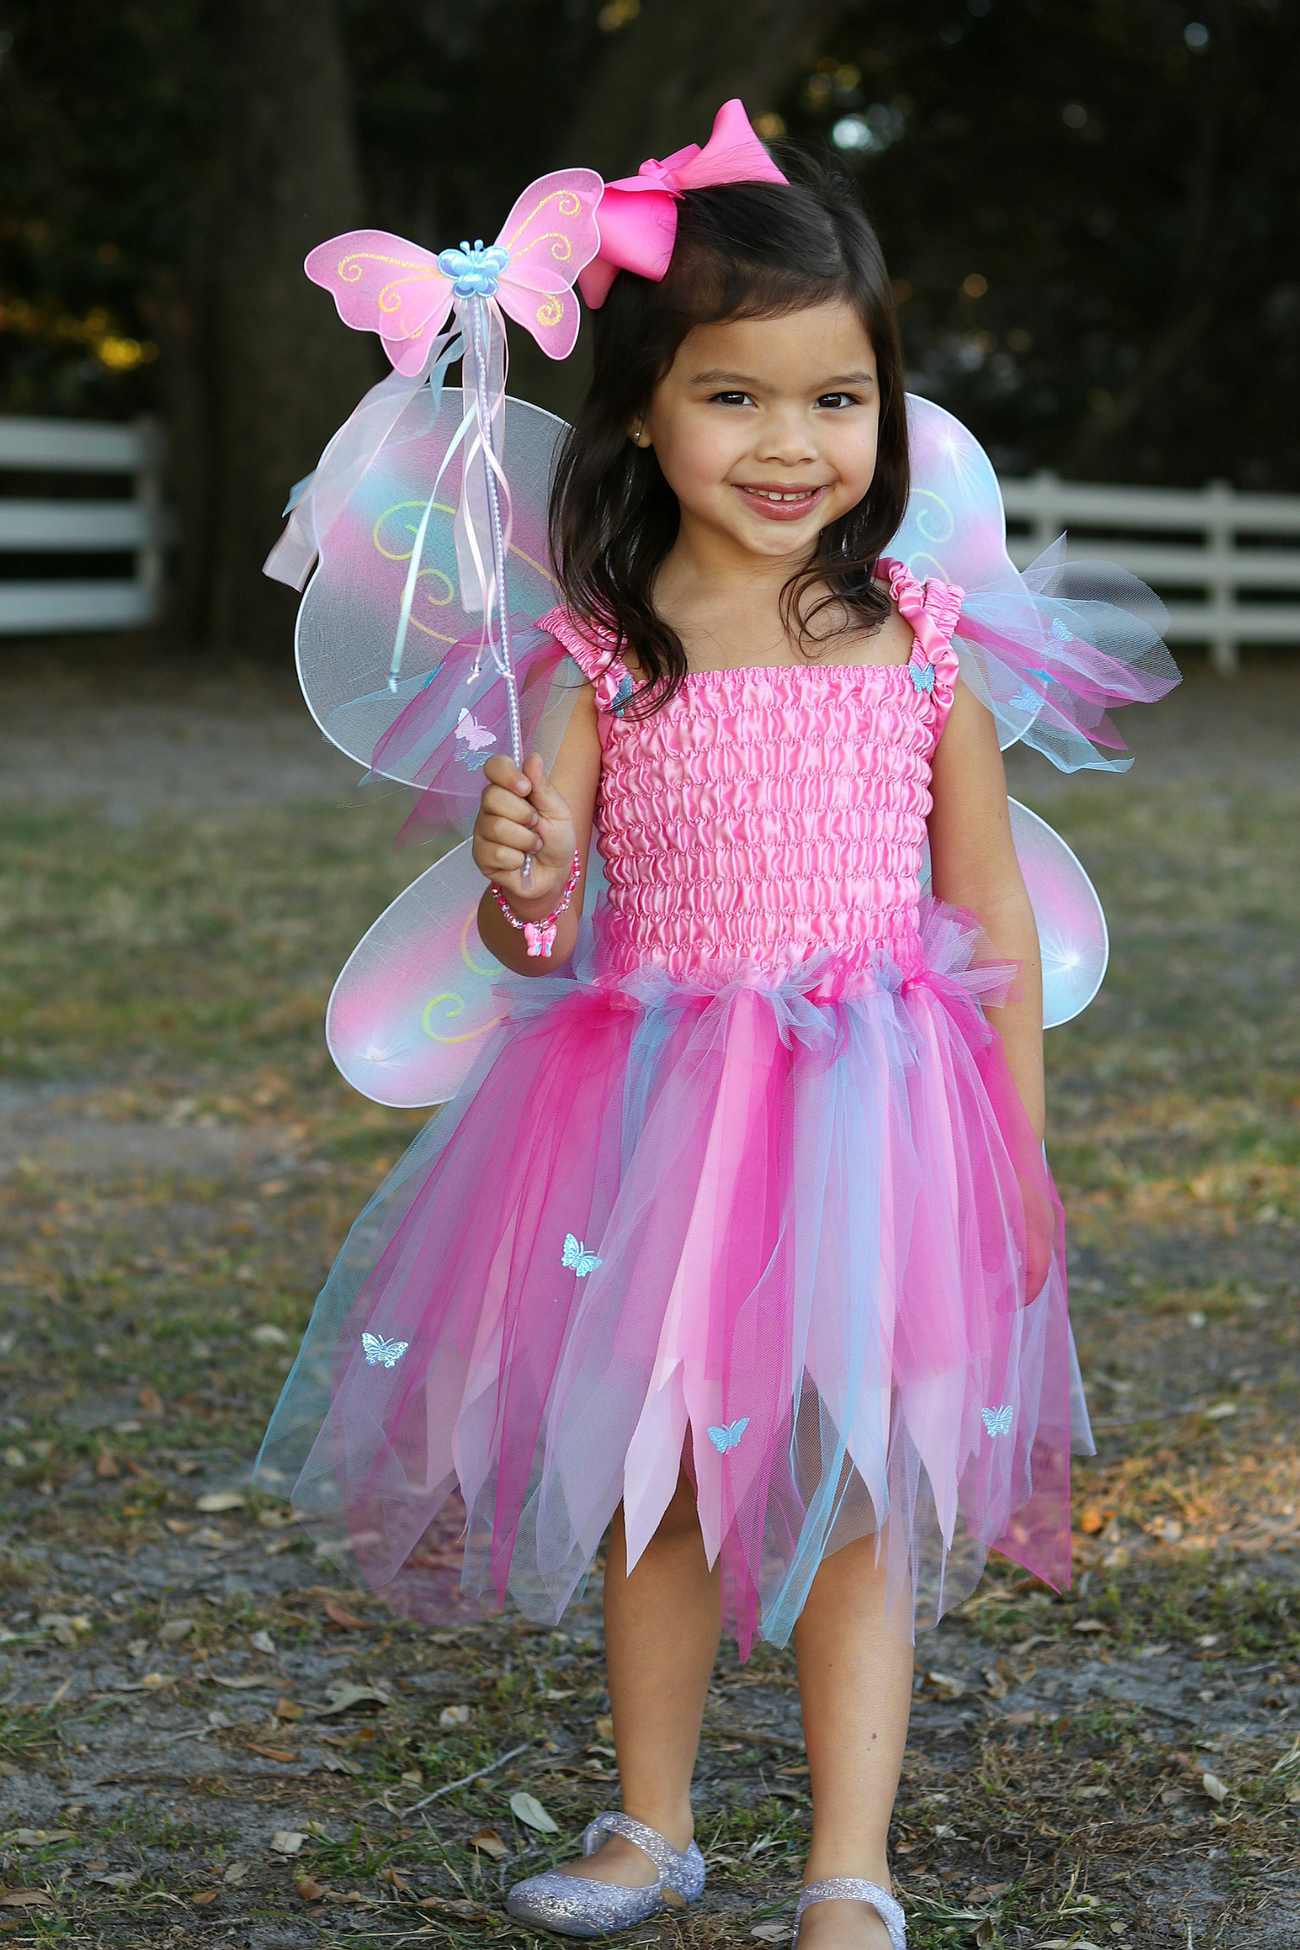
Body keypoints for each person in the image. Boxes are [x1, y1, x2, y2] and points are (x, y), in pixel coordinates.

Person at [257, 108, 1178, 1950]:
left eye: (837, 401)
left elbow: (987, 913)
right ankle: (652, 1819)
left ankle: (852, 1865)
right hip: (661, 1118)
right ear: (648, 417)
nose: (791, 443)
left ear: (886, 418)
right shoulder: (605, 650)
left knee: (858, 1485)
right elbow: (535, 940)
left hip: (882, 1126)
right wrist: (518, 868)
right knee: (655, 1476)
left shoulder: (923, 644)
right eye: (737, 398)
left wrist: (1017, 1148)